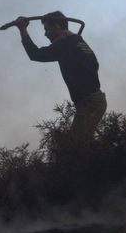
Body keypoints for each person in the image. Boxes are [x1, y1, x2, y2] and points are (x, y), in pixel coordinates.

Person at [13, 11, 107, 147]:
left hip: (90, 102)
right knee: (81, 143)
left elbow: (35, 54)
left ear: (56, 26)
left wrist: (23, 29)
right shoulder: (78, 41)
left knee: (76, 147)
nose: (45, 34)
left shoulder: (66, 44)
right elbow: (95, 64)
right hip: (94, 100)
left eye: (46, 29)